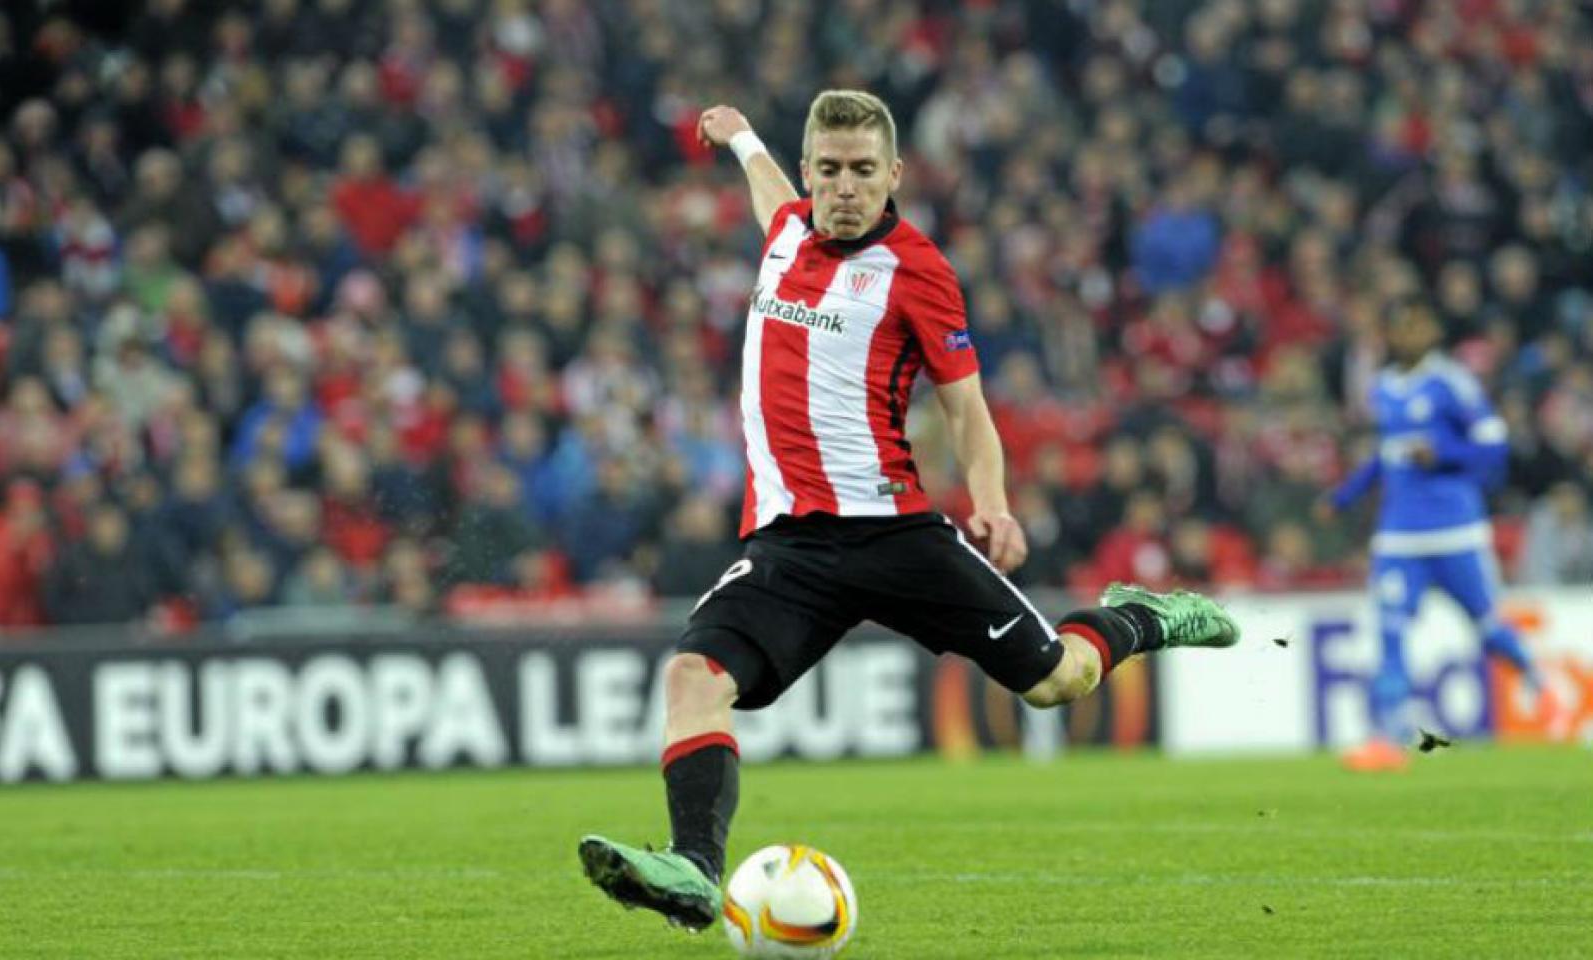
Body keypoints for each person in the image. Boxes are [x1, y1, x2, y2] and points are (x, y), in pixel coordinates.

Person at [576, 91, 1242, 933]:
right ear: (811, 173)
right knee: (690, 677)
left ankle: (1139, 618)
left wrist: (992, 502)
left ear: (894, 174)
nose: (844, 188)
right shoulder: (785, 230)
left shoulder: (918, 270)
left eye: (862, 172)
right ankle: (695, 871)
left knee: (1057, 682)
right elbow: (767, 190)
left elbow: (967, 410)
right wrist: (741, 134)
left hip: (894, 532)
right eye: (829, 170)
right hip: (790, 544)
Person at [1320, 297, 1566, 772]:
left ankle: (1542, 686)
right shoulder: (1385, 387)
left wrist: (1445, 454)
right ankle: (1386, 740)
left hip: (1456, 532)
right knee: (1389, 631)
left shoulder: (1452, 381)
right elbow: (1386, 454)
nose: (1410, 333)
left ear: (1432, 332)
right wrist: (1345, 496)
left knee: (1488, 629)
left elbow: (1493, 446)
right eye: (1402, 325)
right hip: (1398, 537)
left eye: (1419, 323)